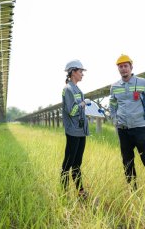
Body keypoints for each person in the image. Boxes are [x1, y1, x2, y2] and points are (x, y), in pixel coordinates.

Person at [109, 54, 145, 197]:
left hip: (140, 129)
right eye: (120, 67)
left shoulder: (142, 82)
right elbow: (112, 105)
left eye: (126, 66)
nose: (123, 69)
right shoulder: (114, 87)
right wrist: (114, 120)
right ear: (118, 69)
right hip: (123, 130)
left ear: (131, 67)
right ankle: (133, 192)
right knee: (127, 162)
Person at [61, 59, 90, 198]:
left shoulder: (76, 88)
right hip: (73, 131)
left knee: (77, 163)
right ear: (73, 72)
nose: (82, 74)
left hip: (80, 131)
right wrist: (84, 104)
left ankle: (80, 191)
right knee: (68, 163)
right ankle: (63, 193)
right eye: (80, 71)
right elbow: (72, 111)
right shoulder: (68, 89)